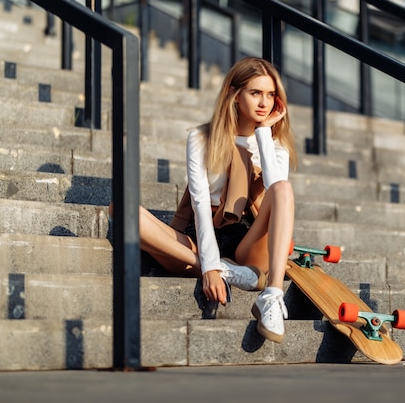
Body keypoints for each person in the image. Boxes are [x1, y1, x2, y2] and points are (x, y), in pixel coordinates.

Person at [111, 57, 297, 343]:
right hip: (199, 238)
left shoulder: (276, 148)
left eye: (271, 95)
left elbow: (274, 193)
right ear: (234, 95)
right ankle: (229, 271)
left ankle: (271, 295)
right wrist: (210, 267)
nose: (265, 103)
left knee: (283, 189)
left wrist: (262, 134)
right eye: (255, 92)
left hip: (248, 239)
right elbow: (199, 203)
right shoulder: (201, 138)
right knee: (119, 209)